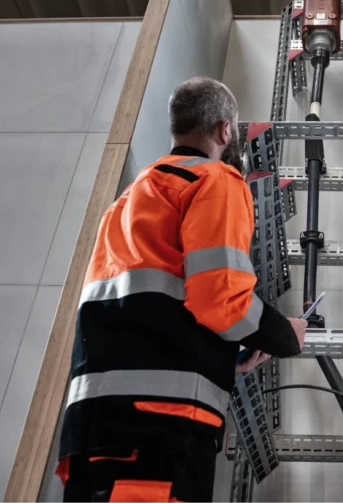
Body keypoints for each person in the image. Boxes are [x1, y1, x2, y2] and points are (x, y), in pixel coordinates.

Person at [56, 76, 307, 503]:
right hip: (159, 426)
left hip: (89, 426)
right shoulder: (216, 181)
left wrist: (224, 358)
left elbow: (149, 308)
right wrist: (285, 334)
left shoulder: (128, 200)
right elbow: (220, 299)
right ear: (225, 130)